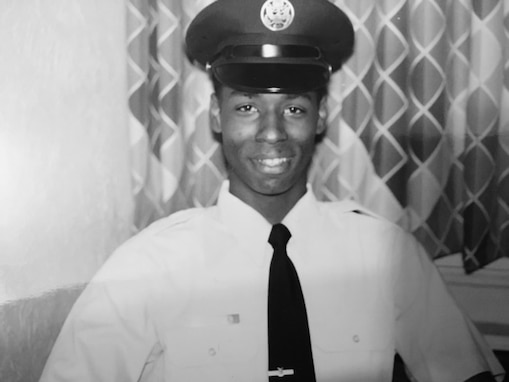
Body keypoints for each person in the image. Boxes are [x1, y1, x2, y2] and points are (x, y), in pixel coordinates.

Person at [40, 0, 506, 381]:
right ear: (216, 117)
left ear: (321, 117)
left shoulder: (384, 254)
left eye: (294, 110)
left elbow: (466, 372)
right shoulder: (148, 266)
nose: (271, 132)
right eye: (246, 107)